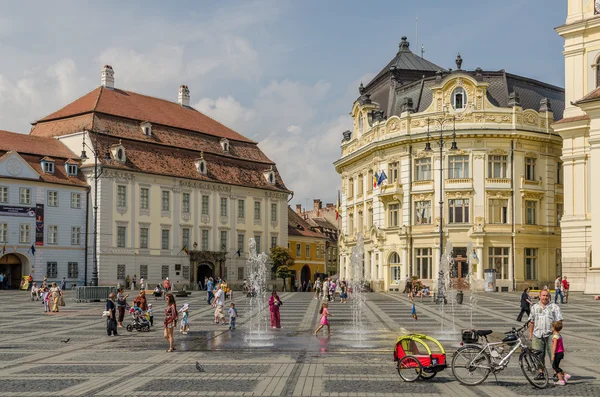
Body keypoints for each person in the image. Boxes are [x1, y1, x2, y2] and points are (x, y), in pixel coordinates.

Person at [529, 289, 563, 378]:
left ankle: (556, 372)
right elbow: (531, 322)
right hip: (537, 334)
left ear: (549, 297)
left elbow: (559, 321)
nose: (545, 297)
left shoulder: (554, 307)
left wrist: (557, 334)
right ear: (539, 296)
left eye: (547, 296)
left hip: (551, 335)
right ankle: (541, 372)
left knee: (553, 355)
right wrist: (530, 335)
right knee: (538, 356)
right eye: (543, 295)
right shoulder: (534, 307)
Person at [551, 320, 570, 385]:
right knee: (556, 366)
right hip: (561, 352)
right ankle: (565, 375)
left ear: (553, 328)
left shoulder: (555, 337)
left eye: (552, 327)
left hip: (557, 353)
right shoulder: (559, 335)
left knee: (555, 367)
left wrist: (553, 354)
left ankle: (561, 380)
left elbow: (554, 345)